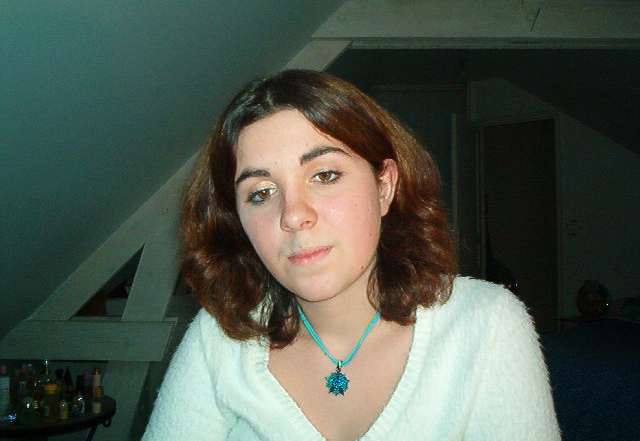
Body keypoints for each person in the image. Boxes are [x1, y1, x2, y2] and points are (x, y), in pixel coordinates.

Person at [142, 70, 560, 441]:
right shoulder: (220, 338)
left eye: (325, 175)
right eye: (261, 193)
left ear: (384, 187)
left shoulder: (486, 325)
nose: (293, 215)